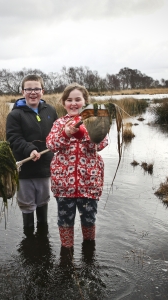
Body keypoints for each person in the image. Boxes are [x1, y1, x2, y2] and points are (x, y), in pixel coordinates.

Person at [46, 83, 109, 249]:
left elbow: (101, 143)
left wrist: (82, 134)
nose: (73, 103)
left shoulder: (95, 121)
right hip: (63, 184)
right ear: (63, 103)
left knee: (89, 218)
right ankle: (67, 251)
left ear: (85, 101)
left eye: (77, 99)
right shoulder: (59, 123)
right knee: (65, 220)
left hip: (88, 182)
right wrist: (65, 134)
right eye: (69, 100)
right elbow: (52, 145)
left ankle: (89, 249)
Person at [6, 74, 58, 236]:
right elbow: (14, 138)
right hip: (25, 167)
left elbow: (56, 133)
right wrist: (30, 149)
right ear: (23, 91)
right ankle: (29, 239)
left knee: (43, 201)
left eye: (36, 89)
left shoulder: (50, 110)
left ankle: (43, 239)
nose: (33, 92)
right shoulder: (15, 115)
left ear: (43, 91)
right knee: (27, 204)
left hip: (45, 166)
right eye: (29, 89)